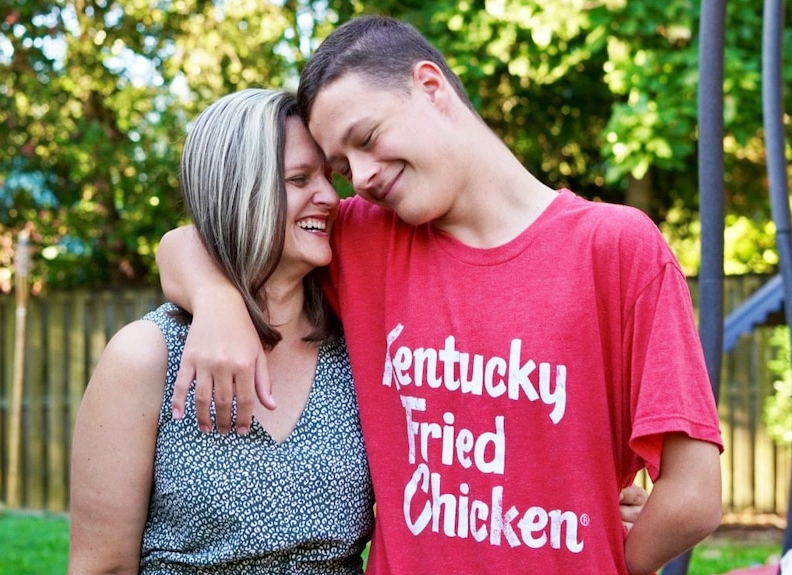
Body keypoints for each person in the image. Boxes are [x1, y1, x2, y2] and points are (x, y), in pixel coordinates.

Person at [157, 16, 722, 575]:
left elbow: (693, 496)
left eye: (368, 140)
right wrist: (217, 302)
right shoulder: (363, 238)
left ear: (430, 87)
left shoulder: (616, 248)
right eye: (342, 166)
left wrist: (596, 551)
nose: (361, 178)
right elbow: (189, 240)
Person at [68, 89, 374, 574]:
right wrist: (217, 299)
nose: (331, 198)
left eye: (327, 178)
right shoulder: (146, 356)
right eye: (299, 179)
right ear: (238, 194)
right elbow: (102, 567)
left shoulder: (356, 343)